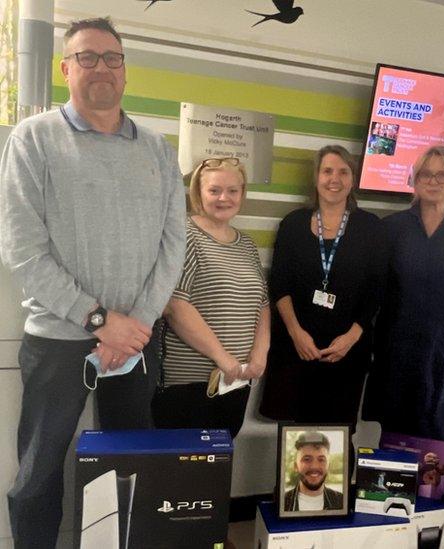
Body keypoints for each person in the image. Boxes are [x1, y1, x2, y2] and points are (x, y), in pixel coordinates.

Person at [0, 17, 187, 548]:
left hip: (138, 345)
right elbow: (23, 251)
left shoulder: (156, 149)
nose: (101, 67)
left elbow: (173, 246)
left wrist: (136, 326)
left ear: (125, 70)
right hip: (59, 342)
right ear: (66, 69)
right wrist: (102, 322)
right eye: (87, 57)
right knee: (38, 473)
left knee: (131, 469)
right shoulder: (33, 140)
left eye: (112, 57)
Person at [363, 146, 444, 440]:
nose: (433, 181)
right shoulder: (392, 229)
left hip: (442, 348)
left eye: (442, 175)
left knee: (432, 426)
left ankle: (424, 487)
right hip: (396, 344)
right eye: (426, 174)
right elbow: (378, 285)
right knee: (391, 425)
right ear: (414, 180)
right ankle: (390, 487)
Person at [260, 145, 386, 431]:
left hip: (346, 352)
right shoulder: (293, 224)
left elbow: (377, 290)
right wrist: (296, 333)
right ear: (316, 177)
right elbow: (279, 284)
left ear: (352, 180)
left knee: (339, 435)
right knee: (296, 438)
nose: (335, 179)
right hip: (297, 348)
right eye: (327, 170)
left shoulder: (371, 228)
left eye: (344, 172)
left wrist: (351, 338)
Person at [152, 157, 270, 439]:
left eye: (232, 190)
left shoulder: (247, 245)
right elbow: (175, 306)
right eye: (214, 190)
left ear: (242, 194)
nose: (224, 198)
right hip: (188, 383)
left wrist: (259, 354)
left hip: (235, 381)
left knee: (218, 469)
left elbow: (262, 305)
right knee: (182, 472)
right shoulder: (183, 235)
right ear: (198, 193)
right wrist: (222, 357)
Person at [284, 431, 343, 512]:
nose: (314, 466)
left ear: (328, 466)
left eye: (321, 460)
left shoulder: (341, 501)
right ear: (295, 466)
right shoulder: (283, 502)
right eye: (307, 459)